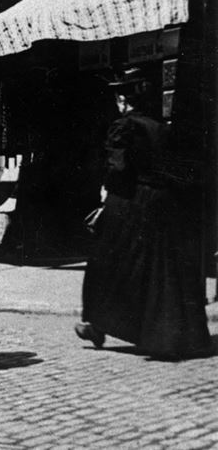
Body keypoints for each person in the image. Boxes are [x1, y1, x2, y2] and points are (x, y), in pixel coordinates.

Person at [75, 70, 212, 358]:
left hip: (129, 201)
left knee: (107, 261)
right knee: (162, 267)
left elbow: (119, 168)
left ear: (123, 100)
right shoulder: (161, 128)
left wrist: (105, 191)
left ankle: (97, 323)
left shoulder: (123, 126)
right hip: (163, 202)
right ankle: (173, 335)